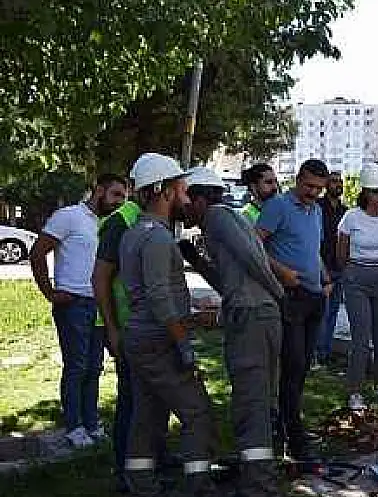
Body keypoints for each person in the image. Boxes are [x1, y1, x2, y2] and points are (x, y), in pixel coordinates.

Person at [118, 153, 218, 496]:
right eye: (181, 189)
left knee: (146, 415)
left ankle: (140, 483)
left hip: (140, 338)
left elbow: (151, 292)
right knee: (197, 412)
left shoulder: (135, 234)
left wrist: (190, 305)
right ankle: (198, 485)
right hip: (158, 341)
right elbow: (159, 298)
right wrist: (184, 344)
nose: (187, 197)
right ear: (163, 191)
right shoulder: (158, 239)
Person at [180, 168, 284, 497]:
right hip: (253, 316)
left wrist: (278, 294)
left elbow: (255, 261)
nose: (180, 207)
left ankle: (258, 485)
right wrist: (196, 260)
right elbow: (229, 282)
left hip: (254, 318)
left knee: (250, 402)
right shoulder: (215, 224)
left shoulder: (219, 218)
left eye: (184, 199)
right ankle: (258, 474)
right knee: (254, 399)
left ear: (199, 199)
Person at [29, 173, 128, 448]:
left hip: (101, 303)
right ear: (98, 191)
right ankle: (74, 426)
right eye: (116, 194)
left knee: (95, 367)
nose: (120, 201)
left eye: (124, 196)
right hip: (73, 303)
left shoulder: (111, 224)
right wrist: (49, 292)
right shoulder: (69, 216)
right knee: (77, 366)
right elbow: (37, 253)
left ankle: (91, 422)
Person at [94, 189, 174, 492]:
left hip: (151, 327)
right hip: (129, 328)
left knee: (156, 398)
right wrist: (112, 328)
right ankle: (127, 472)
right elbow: (100, 278)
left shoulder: (155, 221)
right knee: (132, 401)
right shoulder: (121, 222)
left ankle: (156, 459)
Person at [256, 158, 333, 460]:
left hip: (315, 295)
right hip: (290, 295)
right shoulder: (277, 206)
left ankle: (290, 424)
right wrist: (281, 272)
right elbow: (254, 243)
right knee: (293, 364)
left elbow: (311, 249)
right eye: (310, 186)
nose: (314, 193)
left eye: (319, 188)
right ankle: (289, 431)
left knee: (302, 368)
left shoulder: (315, 210)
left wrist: (325, 276)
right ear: (298, 179)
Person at [338, 164, 378, 408]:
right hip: (357, 277)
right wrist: (350, 272)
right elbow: (341, 250)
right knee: (361, 336)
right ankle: (355, 390)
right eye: (376, 192)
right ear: (365, 193)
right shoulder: (351, 217)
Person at [316, 171, 348, 366]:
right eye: (334, 182)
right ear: (327, 185)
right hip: (322, 266)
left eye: (340, 182)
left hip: (340, 267)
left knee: (334, 312)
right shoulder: (318, 208)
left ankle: (326, 352)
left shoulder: (345, 211)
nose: (338, 185)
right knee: (323, 312)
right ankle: (317, 353)